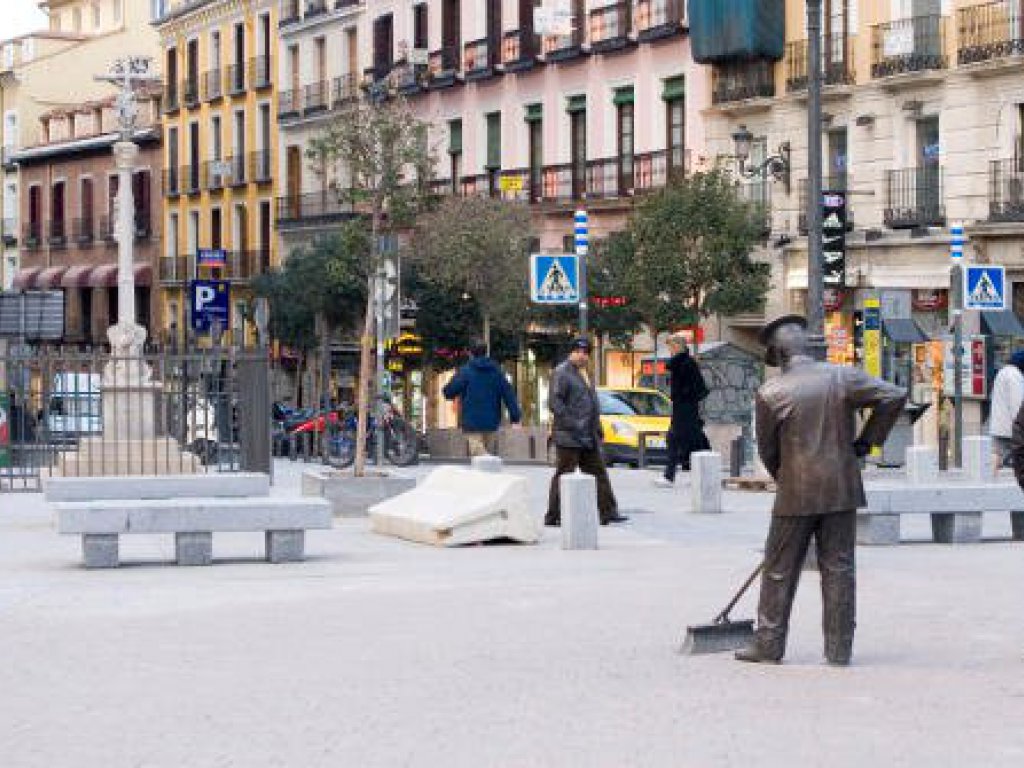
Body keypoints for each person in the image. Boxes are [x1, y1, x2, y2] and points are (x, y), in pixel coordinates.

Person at [735, 315, 906, 666]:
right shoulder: (841, 377)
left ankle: (769, 645)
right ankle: (839, 650)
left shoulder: (771, 393)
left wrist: (787, 479)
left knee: (779, 570)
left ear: (779, 354)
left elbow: (768, 451)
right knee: (839, 568)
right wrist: (866, 442)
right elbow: (894, 395)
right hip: (841, 488)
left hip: (795, 492)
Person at [545, 338, 628, 526]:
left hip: (588, 434)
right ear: (571, 352)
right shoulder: (561, 372)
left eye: (585, 352)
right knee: (564, 474)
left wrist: (597, 427)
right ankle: (553, 515)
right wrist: (572, 423)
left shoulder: (585, 373)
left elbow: (591, 403)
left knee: (598, 473)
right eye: (578, 352)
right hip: (569, 435)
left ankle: (608, 511)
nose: (582, 356)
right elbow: (555, 403)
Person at [442, 343, 522, 457]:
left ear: (470, 353)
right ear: (486, 352)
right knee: (487, 457)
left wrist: (451, 388)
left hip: (472, 422)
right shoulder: (497, 372)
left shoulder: (466, 371)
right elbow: (509, 394)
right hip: (492, 422)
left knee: (480, 457)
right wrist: (515, 417)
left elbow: (449, 392)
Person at [654, 333, 710, 487]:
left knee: (678, 439)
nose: (670, 350)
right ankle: (696, 475)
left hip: (685, 409)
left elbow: (696, 387)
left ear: (678, 346)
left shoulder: (684, 363)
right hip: (684, 408)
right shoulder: (683, 362)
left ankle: (670, 476)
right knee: (692, 440)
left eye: (671, 347)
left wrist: (683, 396)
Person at [988, 350, 1024, 472]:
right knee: (1011, 461)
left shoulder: (1003, 372)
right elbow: (1018, 404)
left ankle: (990, 479)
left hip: (999, 426)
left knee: (997, 457)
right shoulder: (1015, 376)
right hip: (1010, 428)